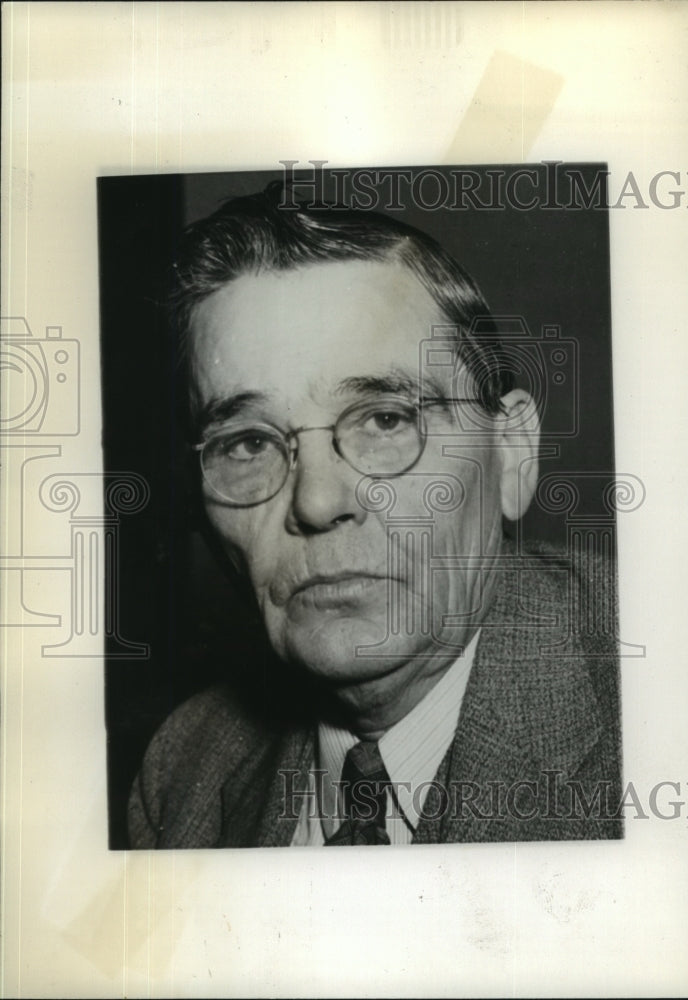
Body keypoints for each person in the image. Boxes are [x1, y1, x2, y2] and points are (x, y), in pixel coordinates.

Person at [128, 181, 622, 848]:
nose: (317, 501)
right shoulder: (180, 774)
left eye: (385, 420)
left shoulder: (671, 705)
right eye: (247, 443)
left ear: (511, 452)